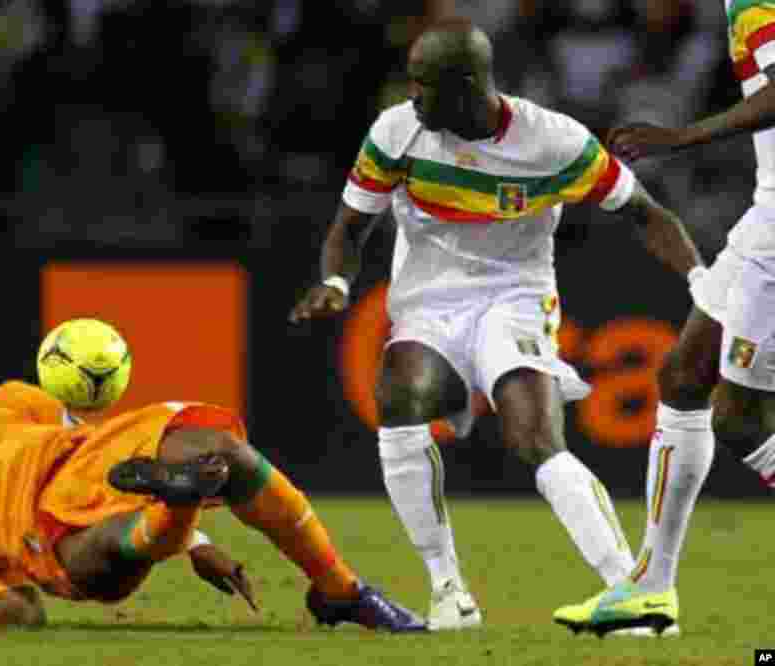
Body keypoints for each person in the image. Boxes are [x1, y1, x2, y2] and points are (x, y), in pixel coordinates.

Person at [289, 19, 703, 631]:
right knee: (397, 396)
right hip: (429, 301)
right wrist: (336, 283)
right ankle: (448, 590)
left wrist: (701, 282)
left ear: (464, 86)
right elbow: (350, 227)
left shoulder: (554, 142)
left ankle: (630, 591)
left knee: (534, 437)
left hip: (515, 297)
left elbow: (645, 213)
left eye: (423, 84)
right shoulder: (396, 132)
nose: (412, 96)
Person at [0, 381, 425, 631]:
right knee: (101, 546)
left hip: (86, 465)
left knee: (222, 451)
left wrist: (198, 545)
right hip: (57, 542)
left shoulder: (7, 403)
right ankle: (177, 503)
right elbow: (22, 610)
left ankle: (339, 589)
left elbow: (84, 434)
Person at [554, 0, 775, 636]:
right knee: (683, 376)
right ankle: (650, 591)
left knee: (738, 418)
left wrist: (680, 138)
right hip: (765, 212)